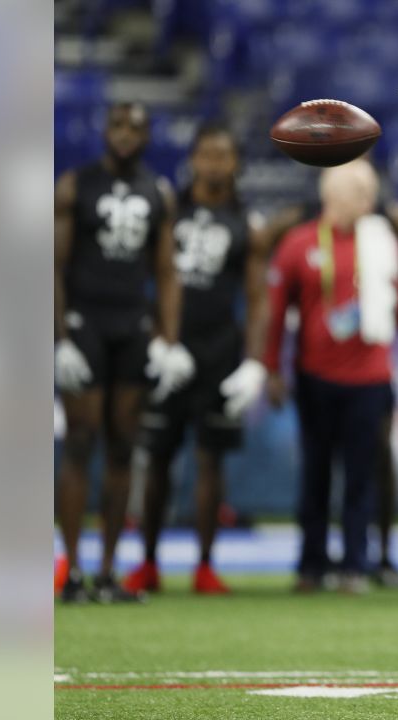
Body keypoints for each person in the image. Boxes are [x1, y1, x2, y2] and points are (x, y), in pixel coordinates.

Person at [263, 159, 398, 594]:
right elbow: (276, 313)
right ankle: (311, 565)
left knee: (361, 475)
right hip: (314, 375)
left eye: (370, 193)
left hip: (369, 377)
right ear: (334, 196)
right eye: (361, 193)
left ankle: (354, 563)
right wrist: (270, 367)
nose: (370, 202)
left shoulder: (381, 241)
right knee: (315, 472)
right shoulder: (298, 243)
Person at [122, 123, 270, 596]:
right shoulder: (169, 210)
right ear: (192, 158)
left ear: (235, 163)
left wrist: (254, 362)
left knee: (211, 460)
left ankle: (205, 565)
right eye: (205, 154)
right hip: (170, 345)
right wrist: (158, 340)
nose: (213, 163)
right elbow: (141, 272)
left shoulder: (247, 221)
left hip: (218, 348)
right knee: (158, 456)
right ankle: (147, 562)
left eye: (222, 155)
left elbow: (257, 296)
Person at [55, 102, 193, 603]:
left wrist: (169, 339)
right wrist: (58, 338)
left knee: (121, 447)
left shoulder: (158, 192)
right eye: (117, 125)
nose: (126, 135)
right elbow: (53, 265)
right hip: (85, 323)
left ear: (148, 135)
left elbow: (166, 271)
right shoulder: (75, 185)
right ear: (105, 130)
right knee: (79, 442)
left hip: (132, 325)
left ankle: (109, 572)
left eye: (136, 127)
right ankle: (71, 571)